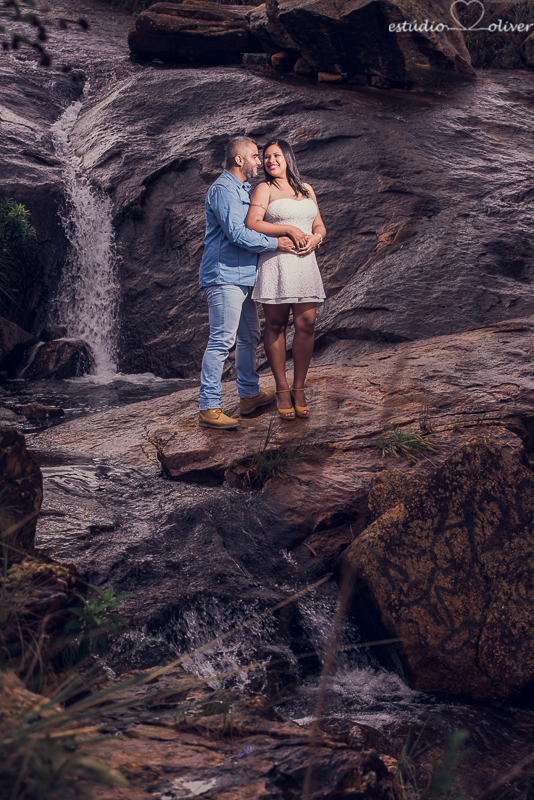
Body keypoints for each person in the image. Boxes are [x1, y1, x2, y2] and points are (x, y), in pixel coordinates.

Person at [198, 136, 300, 430]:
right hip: (223, 275)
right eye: (255, 156)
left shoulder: (243, 189)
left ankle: (249, 395)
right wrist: (276, 243)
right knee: (221, 340)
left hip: (243, 277)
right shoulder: (223, 190)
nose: (260, 162)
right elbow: (237, 235)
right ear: (239, 159)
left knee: (250, 336)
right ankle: (208, 408)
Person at [245, 139, 326, 419]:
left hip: (305, 263)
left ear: (287, 157)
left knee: (307, 324)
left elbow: (319, 224)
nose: (270, 161)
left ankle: (299, 387)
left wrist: (316, 239)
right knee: (277, 325)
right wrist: (289, 229)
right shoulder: (264, 188)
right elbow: (253, 223)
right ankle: (281, 388)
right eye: (266, 157)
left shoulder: (307, 190)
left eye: (275, 155)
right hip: (277, 261)